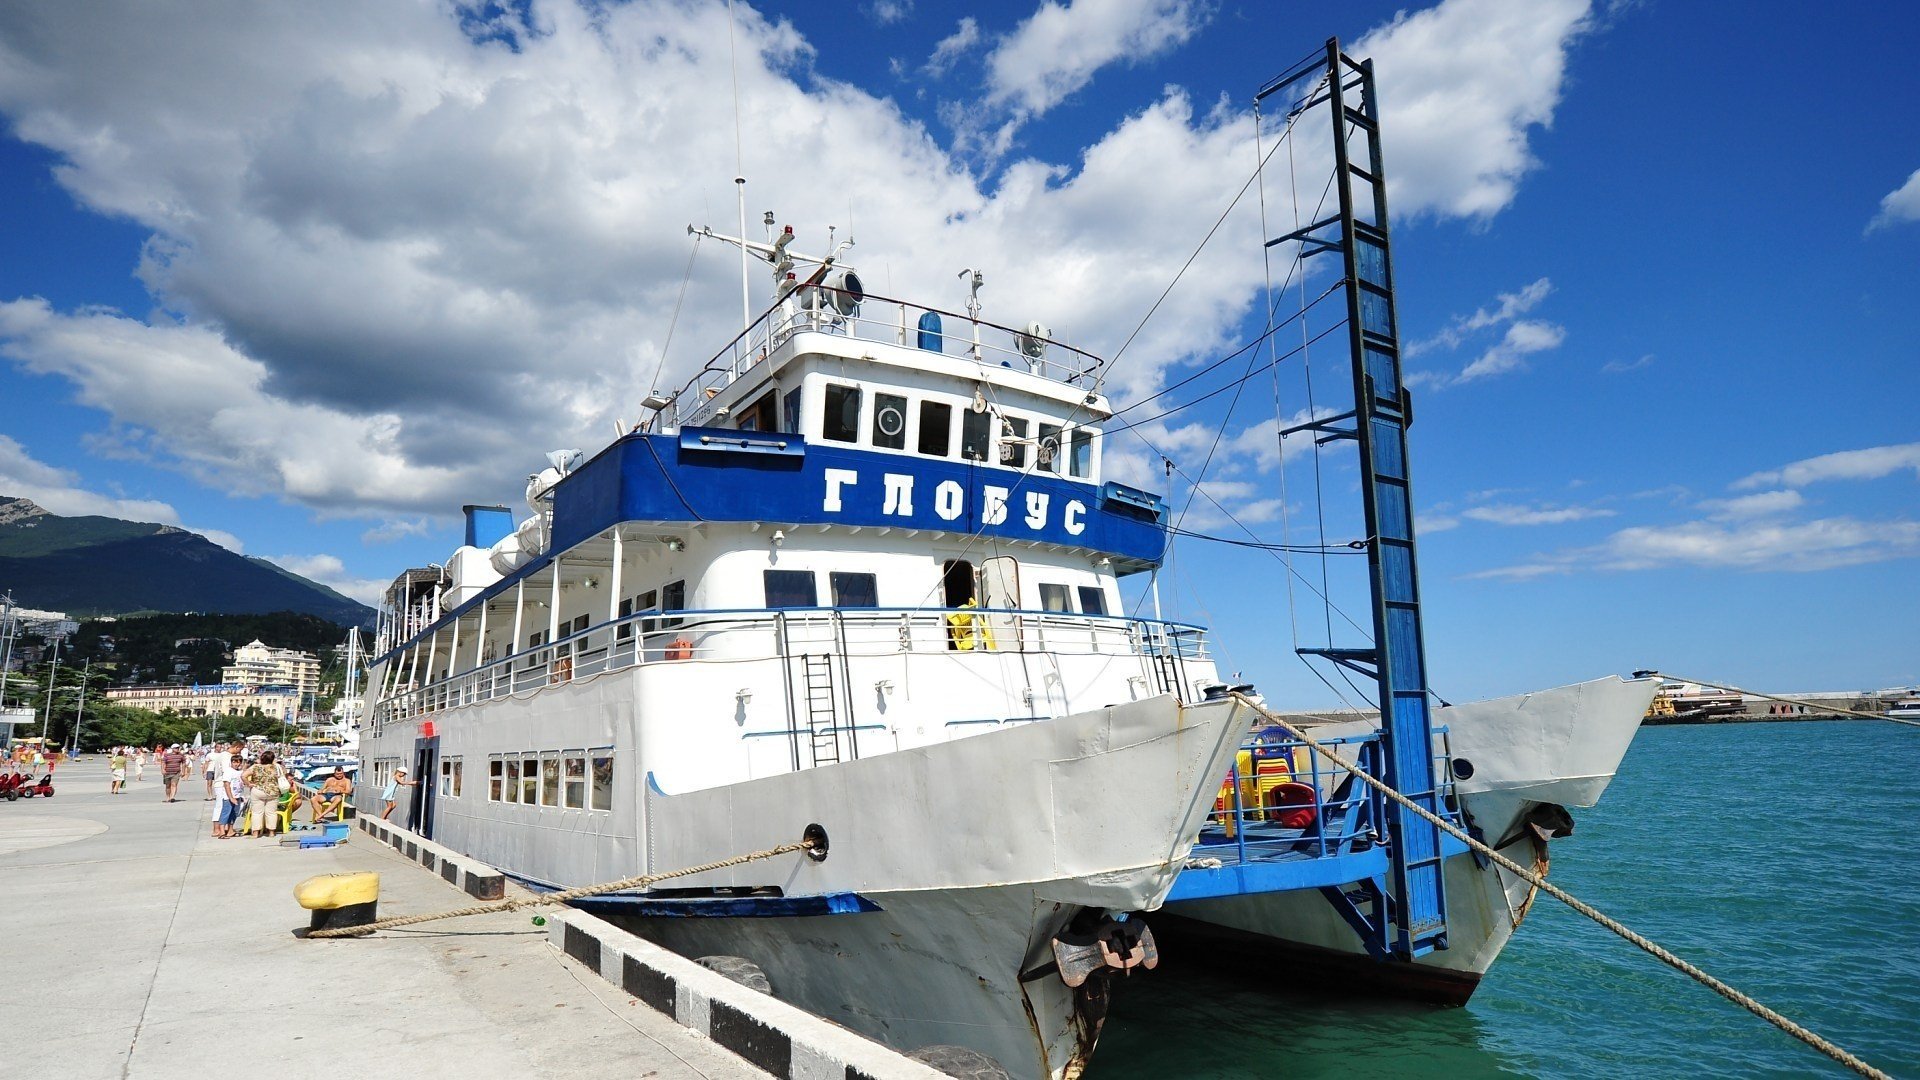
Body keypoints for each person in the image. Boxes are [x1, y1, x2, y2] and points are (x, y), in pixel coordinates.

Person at [241, 752, 283, 838]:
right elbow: (283, 775)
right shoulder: (277, 767)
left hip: (258, 790)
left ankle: (255, 833)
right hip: (273, 791)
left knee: (257, 812)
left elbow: (243, 776)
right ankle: (271, 832)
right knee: (271, 813)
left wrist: (249, 784)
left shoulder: (255, 767)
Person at [214, 754, 245, 839]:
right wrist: (230, 797)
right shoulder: (228, 771)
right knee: (225, 813)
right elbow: (226, 785)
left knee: (234, 814)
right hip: (228, 797)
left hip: (238, 795)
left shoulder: (240, 772)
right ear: (231, 762)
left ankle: (230, 830)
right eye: (234, 762)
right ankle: (222, 831)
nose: (237, 764)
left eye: (239, 762)